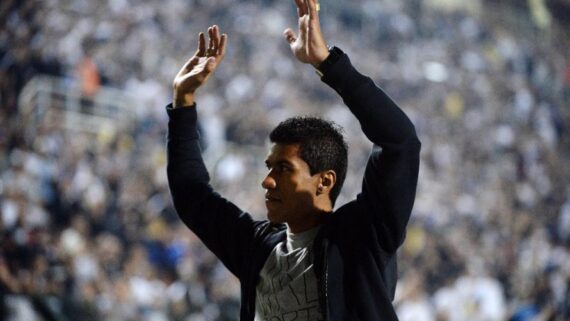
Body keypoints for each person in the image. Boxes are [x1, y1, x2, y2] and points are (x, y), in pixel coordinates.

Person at [166, 0, 420, 319]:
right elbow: (191, 196)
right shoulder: (257, 248)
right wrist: (182, 103)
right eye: (270, 168)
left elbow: (400, 141)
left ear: (324, 181)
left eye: (284, 169)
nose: (267, 181)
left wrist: (328, 64)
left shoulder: (360, 238)